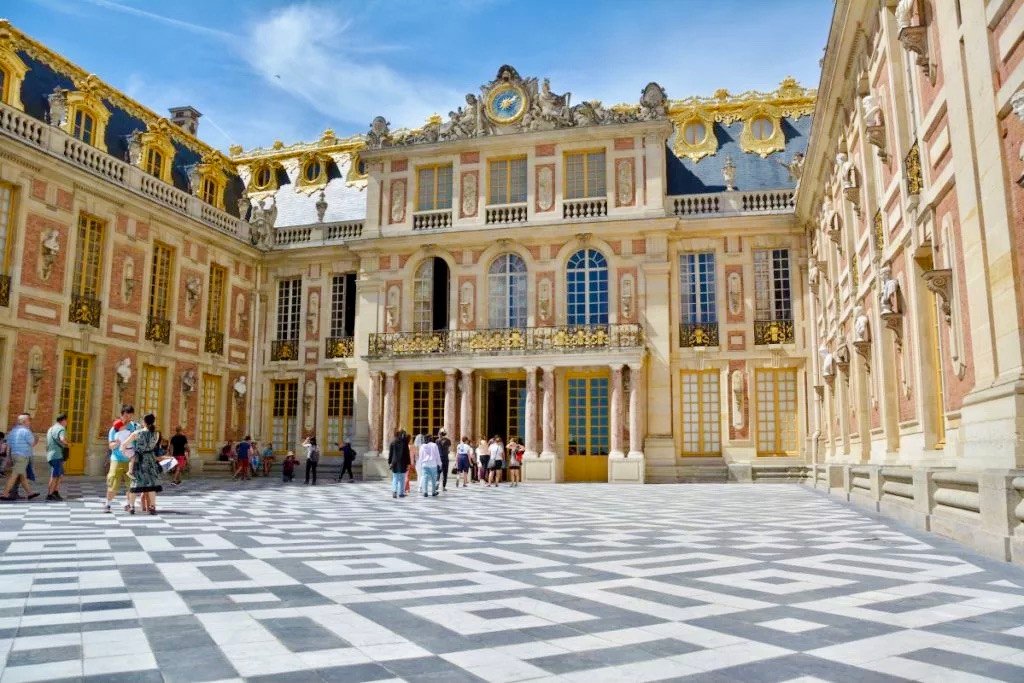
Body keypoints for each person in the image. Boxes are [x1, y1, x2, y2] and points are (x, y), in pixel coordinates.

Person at [124, 414, 163, 515]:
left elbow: (124, 444)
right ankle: (152, 507)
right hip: (150, 459)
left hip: (139, 459)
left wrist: (128, 455)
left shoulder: (137, 433)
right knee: (151, 485)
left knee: (135, 483)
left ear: (144, 422)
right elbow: (153, 446)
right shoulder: (157, 434)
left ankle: (132, 507)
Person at [104, 405, 137, 513]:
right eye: (125, 415)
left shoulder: (134, 427)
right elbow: (110, 445)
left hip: (130, 460)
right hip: (116, 458)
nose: (127, 418)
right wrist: (116, 443)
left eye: (130, 415)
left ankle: (129, 504)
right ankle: (108, 504)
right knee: (112, 480)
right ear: (122, 415)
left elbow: (138, 442)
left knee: (130, 484)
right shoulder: (115, 428)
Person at [0, 414, 38, 501]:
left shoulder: (13, 431)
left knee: (23, 476)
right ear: (24, 422)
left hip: (14, 455)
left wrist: (8, 457)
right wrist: (36, 439)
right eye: (29, 420)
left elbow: (8, 444)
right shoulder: (26, 431)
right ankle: (5, 493)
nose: (30, 422)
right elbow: (32, 443)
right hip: (22, 456)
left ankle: (30, 493)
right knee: (14, 475)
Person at [45, 413, 69, 501]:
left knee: (60, 474)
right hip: (57, 455)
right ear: (63, 421)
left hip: (50, 454)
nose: (66, 423)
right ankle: (50, 494)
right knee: (55, 475)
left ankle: (55, 491)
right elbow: (62, 439)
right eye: (66, 421)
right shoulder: (61, 428)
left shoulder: (51, 429)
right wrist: (68, 444)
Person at [387, 430, 410, 498]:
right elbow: (407, 454)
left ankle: (394, 491)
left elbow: (390, 454)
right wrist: (408, 463)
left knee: (395, 478)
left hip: (394, 463)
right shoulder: (404, 443)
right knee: (402, 478)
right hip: (403, 462)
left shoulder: (393, 443)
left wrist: (389, 462)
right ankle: (401, 493)